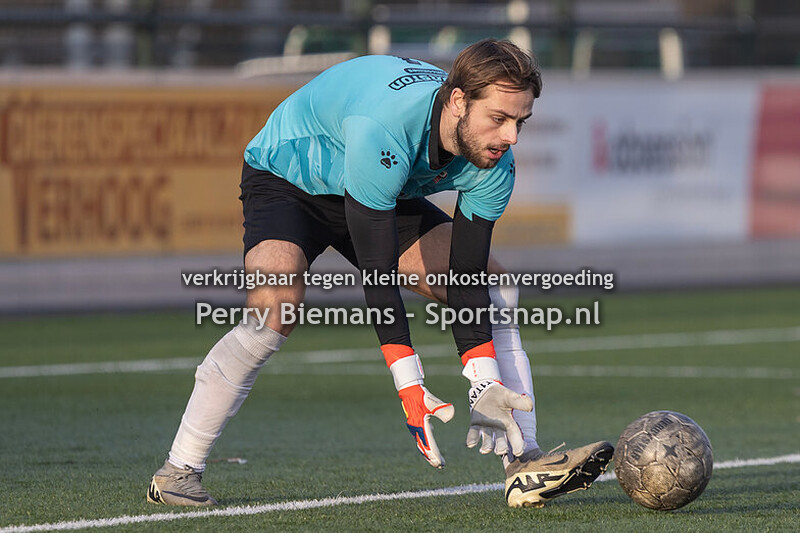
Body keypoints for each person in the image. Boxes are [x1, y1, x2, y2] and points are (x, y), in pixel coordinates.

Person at [147, 39, 613, 509]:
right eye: (499, 119)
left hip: (383, 183)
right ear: (458, 102)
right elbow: (378, 273)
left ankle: (523, 462)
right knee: (275, 305)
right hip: (291, 179)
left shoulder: (496, 163)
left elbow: (465, 274)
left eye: (520, 122)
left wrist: (482, 381)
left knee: (492, 288)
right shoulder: (386, 128)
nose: (511, 138)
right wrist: (409, 383)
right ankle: (179, 470)